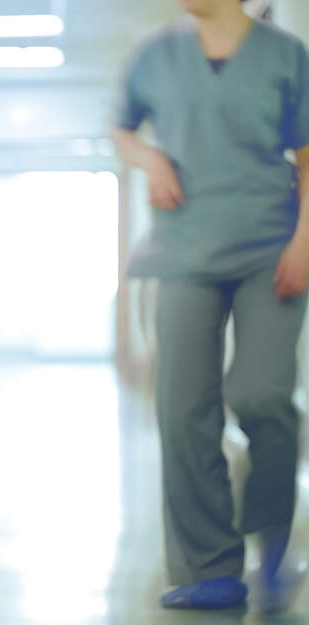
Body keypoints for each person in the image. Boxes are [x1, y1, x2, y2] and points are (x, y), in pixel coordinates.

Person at [113, 0, 309, 611]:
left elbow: (308, 159)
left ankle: (271, 533)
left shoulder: (285, 57)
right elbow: (121, 128)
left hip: (270, 248)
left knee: (262, 394)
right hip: (185, 248)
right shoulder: (155, 55)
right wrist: (149, 158)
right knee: (181, 406)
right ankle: (209, 566)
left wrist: (305, 241)